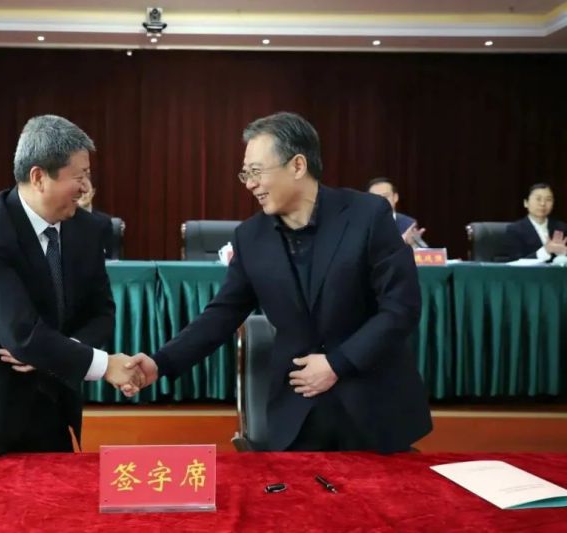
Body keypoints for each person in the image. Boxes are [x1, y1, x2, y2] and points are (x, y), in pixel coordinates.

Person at [127, 112, 432, 453]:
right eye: (246, 173)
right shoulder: (251, 237)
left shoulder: (367, 215)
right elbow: (221, 315)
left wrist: (338, 363)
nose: (249, 183)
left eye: (257, 171)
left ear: (298, 165)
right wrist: (161, 362)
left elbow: (401, 307)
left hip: (374, 407)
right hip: (299, 415)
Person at [0, 115, 143, 460]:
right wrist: (104, 365)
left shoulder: (87, 230)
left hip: (50, 413)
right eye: (79, 177)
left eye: (88, 175)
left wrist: (61, 353)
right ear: (39, 177)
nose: (86, 187)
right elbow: (22, 335)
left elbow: (101, 312)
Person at [506, 183, 567, 262]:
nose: (543, 204)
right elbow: (515, 263)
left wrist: (564, 254)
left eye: (548, 199)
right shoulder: (515, 230)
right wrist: (546, 251)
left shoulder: (562, 228)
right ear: (526, 203)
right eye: (538, 199)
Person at [367, 177, 428, 247]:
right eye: (375, 198)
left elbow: (422, 249)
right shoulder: (362, 224)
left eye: (385, 196)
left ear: (395, 197)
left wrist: (414, 244)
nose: (380, 202)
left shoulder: (408, 223)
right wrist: (402, 241)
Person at [77, 176, 115, 259]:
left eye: (86, 191)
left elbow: (108, 253)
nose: (82, 195)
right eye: (79, 192)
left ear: (93, 192)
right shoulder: (65, 218)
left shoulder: (104, 221)